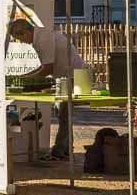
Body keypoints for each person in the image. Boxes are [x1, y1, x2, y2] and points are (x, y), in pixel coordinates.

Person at [8, 17, 86, 160]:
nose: (21, 42)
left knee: (64, 113)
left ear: (26, 32)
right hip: (66, 76)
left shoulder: (43, 39)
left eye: (20, 38)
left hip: (71, 75)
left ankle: (60, 150)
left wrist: (25, 79)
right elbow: (44, 67)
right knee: (62, 113)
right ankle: (65, 149)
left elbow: (47, 69)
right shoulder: (41, 37)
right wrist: (25, 77)